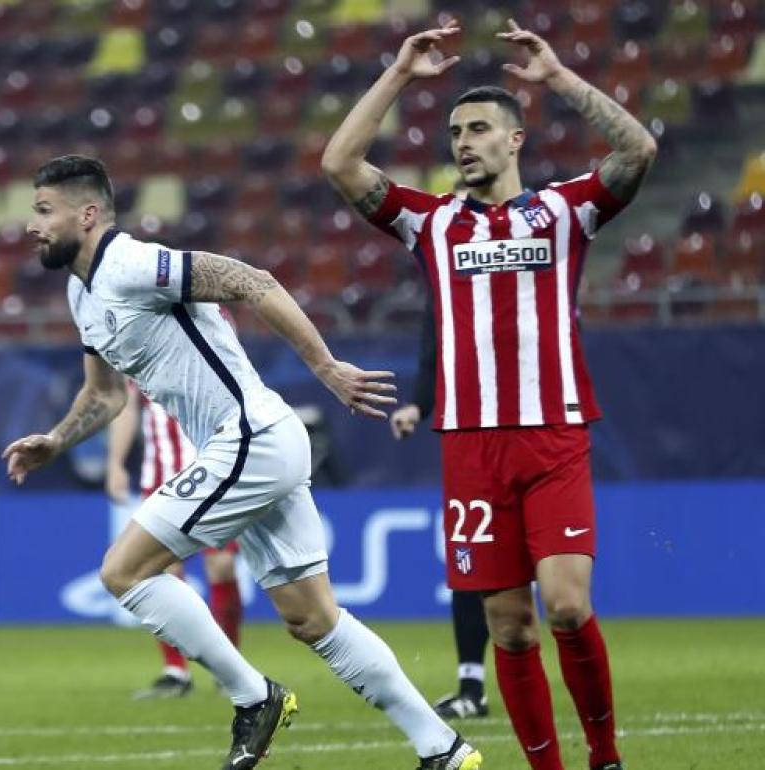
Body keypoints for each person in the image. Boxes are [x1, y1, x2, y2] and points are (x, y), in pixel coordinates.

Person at [3, 155, 482, 770]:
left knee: (124, 573)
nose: (31, 225)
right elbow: (106, 394)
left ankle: (254, 698)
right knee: (314, 620)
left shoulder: (132, 263)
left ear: (88, 213)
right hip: (252, 448)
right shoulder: (82, 292)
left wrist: (325, 367)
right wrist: (56, 440)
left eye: (44, 211)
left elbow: (250, 281)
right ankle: (443, 748)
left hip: (249, 436)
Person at [322, 18, 655, 770]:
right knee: (510, 628)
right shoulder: (432, 223)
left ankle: (605, 758)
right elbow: (339, 161)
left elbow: (638, 150)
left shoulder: (566, 211)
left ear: (515, 140)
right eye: (454, 131)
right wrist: (401, 73)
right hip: (470, 448)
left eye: (479, 128)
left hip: (553, 433)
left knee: (567, 605)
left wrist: (560, 78)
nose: (463, 141)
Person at [106, 382, 243, 699]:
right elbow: (126, 405)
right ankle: (176, 671)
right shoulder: (139, 344)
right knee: (162, 571)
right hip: (162, 476)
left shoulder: (214, 334)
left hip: (214, 471)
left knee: (221, 566)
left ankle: (229, 669)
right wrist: (115, 464)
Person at [390, 301, 491, 720]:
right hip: (467, 441)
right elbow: (433, 359)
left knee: (550, 588)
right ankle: (472, 687)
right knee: (468, 562)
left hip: (533, 437)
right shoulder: (444, 284)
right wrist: (417, 406)